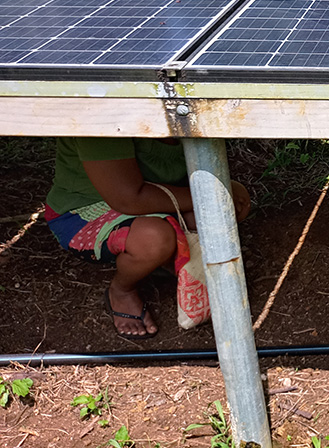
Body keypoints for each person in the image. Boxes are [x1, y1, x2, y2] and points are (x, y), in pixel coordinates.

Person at [44, 137, 250, 339]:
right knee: (154, 240)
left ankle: (167, 261)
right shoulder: (100, 117)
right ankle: (122, 290)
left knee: (232, 203)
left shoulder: (186, 112)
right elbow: (128, 199)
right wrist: (214, 197)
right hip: (91, 209)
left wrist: (221, 198)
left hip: (155, 197)